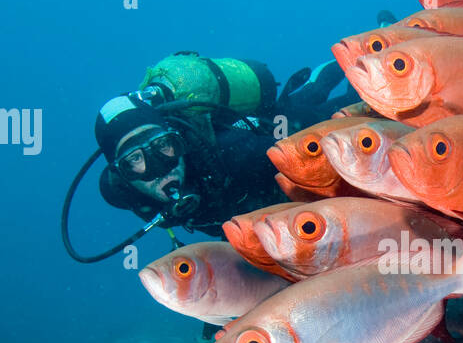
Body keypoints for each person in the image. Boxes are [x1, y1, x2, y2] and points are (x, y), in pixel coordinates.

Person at [92, 52, 348, 236]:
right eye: (135, 160)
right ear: (122, 174)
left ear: (177, 139)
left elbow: (315, 160)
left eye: (162, 145)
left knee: (329, 109)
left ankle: (361, 53)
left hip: (274, 130)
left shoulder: (237, 152)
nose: (159, 166)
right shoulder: (121, 194)